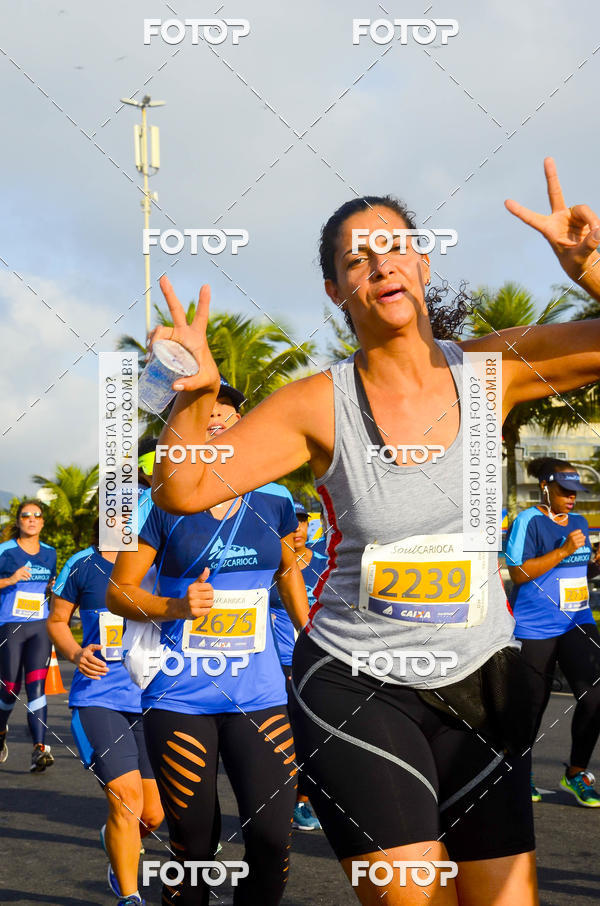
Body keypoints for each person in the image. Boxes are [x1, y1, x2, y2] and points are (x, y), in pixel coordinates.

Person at [147, 157, 600, 905]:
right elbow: (186, 484)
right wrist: (193, 395)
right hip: (358, 685)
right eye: (355, 259)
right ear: (336, 291)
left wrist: (590, 268)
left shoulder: (494, 370)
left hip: (482, 682)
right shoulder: (317, 404)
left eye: (393, 246)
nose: (379, 264)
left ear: (421, 261)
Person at [107, 380, 310, 906]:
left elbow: (288, 569)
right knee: (194, 845)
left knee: (271, 837)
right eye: (203, 414)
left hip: (260, 695)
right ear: (184, 430)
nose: (216, 419)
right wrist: (176, 607)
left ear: (242, 424)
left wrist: (308, 631)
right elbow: (119, 592)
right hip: (180, 697)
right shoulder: (160, 502)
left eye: (225, 412)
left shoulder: (276, 497)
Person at [48, 522, 163, 906]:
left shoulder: (156, 560)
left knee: (152, 816)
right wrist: (76, 653)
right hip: (100, 698)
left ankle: (117, 840)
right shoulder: (83, 563)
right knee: (126, 800)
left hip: (151, 699)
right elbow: (57, 620)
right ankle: (130, 896)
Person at [506, 458, 600, 807]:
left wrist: (594, 563)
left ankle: (576, 773)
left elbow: (577, 571)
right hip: (536, 626)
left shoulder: (578, 521)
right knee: (533, 704)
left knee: (594, 697)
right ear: (545, 487)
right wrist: (563, 551)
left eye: (576, 493)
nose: (572, 499)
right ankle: (520, 771)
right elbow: (517, 572)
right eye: (565, 492)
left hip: (577, 620)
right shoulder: (528, 521)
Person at [270, 500, 327, 830]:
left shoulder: (322, 560)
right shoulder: (270, 565)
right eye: (291, 522)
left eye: (302, 522)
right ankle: (288, 802)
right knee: (283, 737)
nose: (297, 529)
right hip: (279, 664)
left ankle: (303, 799)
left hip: (318, 660)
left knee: (314, 735)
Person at [0, 500, 56, 772]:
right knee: (9, 688)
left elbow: (49, 587)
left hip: (39, 627)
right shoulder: (5, 551)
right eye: (26, 515)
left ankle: (39, 748)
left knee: (36, 687)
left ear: (43, 522)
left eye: (37, 515)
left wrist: (53, 588)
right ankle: (0, 733)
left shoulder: (51, 553)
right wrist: (10, 580)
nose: (32, 519)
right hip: (11, 626)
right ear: (19, 521)